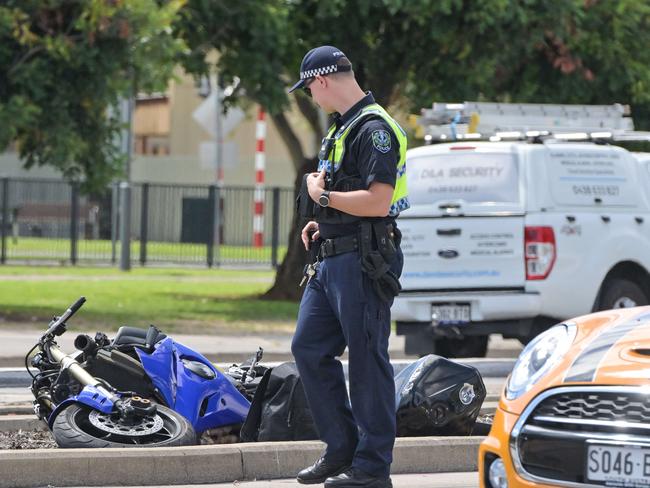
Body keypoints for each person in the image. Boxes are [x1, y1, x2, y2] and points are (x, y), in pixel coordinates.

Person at [288, 45, 409, 488]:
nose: (311, 99)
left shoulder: (373, 128)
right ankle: (341, 449)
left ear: (321, 81)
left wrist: (322, 198)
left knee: (366, 362)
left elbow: (378, 200)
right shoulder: (342, 128)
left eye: (309, 90)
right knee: (308, 348)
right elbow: (348, 193)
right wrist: (324, 221)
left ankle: (373, 469)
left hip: (363, 262)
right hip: (331, 258)